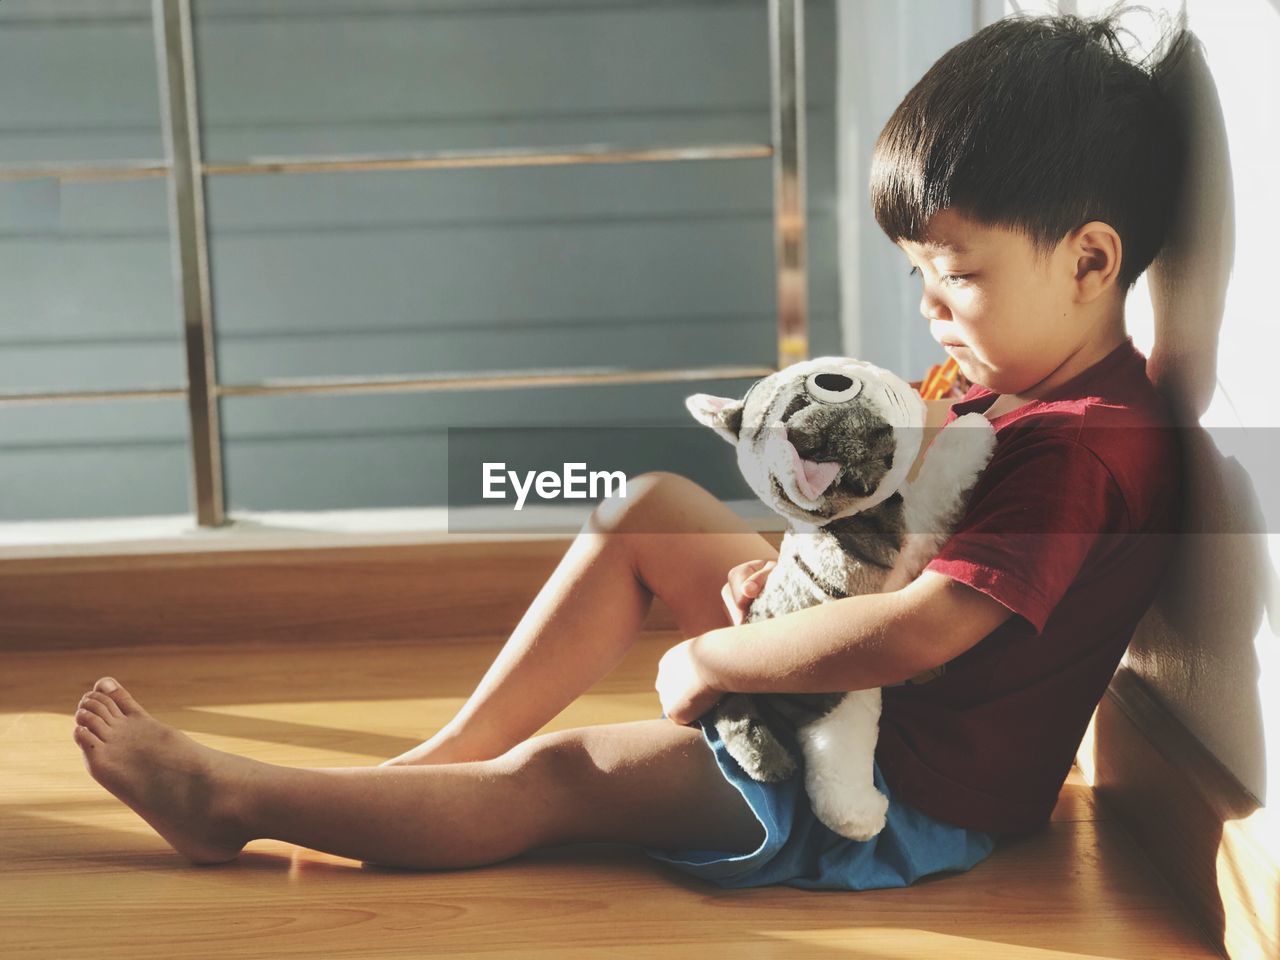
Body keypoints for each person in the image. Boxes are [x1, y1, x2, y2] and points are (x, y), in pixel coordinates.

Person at [71, 5, 1190, 887]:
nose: (931, 312)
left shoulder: (1079, 451)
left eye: (958, 278)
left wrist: (712, 657)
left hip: (894, 787)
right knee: (651, 503)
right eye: (919, 279)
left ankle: (237, 804)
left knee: (562, 777)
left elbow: (919, 633)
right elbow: (885, 548)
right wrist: (785, 582)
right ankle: (436, 767)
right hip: (858, 694)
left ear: (1089, 262)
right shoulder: (1009, 387)